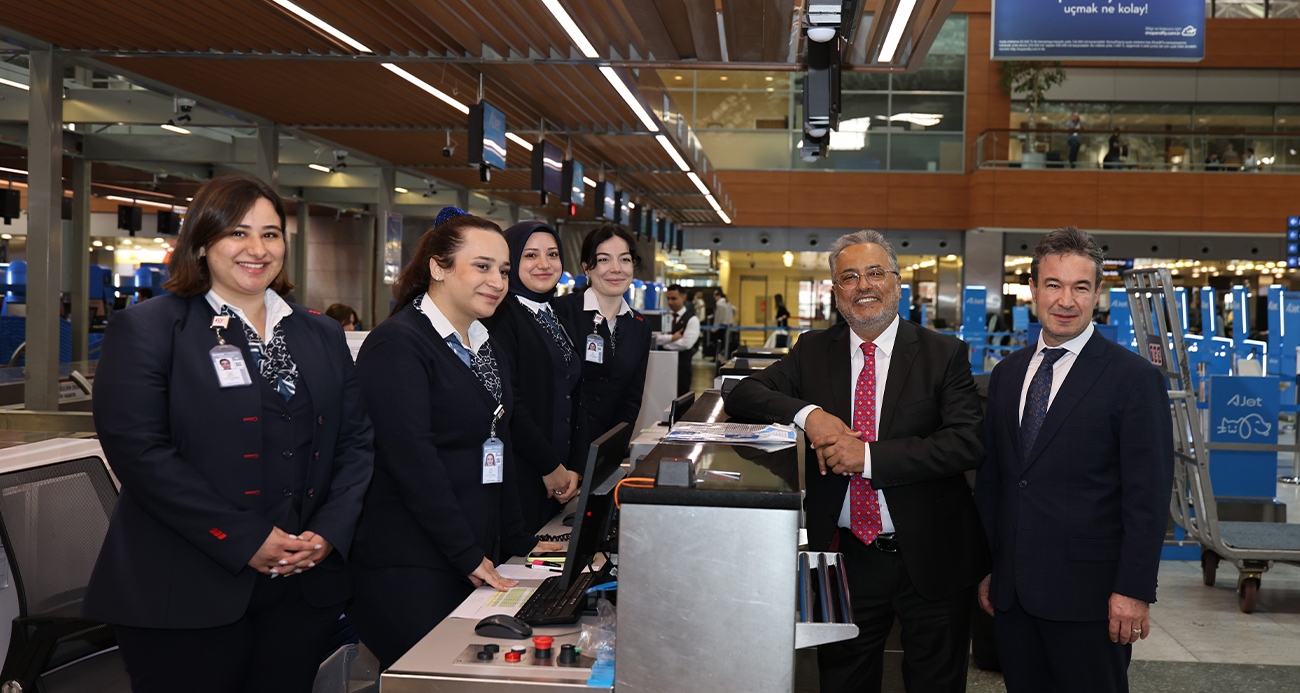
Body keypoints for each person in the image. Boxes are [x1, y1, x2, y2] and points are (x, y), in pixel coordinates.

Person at [84, 172, 374, 693]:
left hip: (302, 588)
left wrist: (329, 533)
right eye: (237, 233)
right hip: (183, 589)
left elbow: (355, 442)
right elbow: (140, 453)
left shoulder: (320, 333)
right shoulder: (151, 329)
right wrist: (244, 539)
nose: (256, 249)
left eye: (270, 233)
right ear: (202, 241)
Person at [726, 230, 987, 693]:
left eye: (874, 273)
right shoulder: (812, 350)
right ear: (834, 291)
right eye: (849, 276)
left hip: (933, 556)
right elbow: (744, 393)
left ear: (896, 282)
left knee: (936, 683)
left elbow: (966, 442)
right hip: (845, 557)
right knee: (843, 682)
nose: (863, 285)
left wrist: (866, 456)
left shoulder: (942, 353)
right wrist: (811, 416)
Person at [347, 209, 559, 669]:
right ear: (438, 267)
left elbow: (495, 447)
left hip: (467, 553)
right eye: (481, 267)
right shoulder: (398, 345)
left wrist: (521, 545)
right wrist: (466, 552)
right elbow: (412, 460)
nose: (498, 281)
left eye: (503, 270)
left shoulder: (485, 344)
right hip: (408, 562)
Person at [974, 227, 1174, 693]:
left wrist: (1134, 590)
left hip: (1094, 603)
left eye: (1080, 287)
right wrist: (989, 569)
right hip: (1014, 599)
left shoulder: (1134, 379)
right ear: (1033, 290)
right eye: (1054, 285)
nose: (1066, 300)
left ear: (1098, 293)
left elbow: (1148, 497)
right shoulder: (1006, 375)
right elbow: (995, 482)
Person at [485, 220, 583, 534]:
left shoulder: (554, 312)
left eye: (553, 254)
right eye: (530, 256)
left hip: (557, 475)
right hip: (523, 471)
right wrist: (550, 467)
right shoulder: (500, 316)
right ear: (510, 262)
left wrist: (572, 468)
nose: (544, 264)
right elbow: (510, 402)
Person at [554, 224, 652, 447]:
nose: (616, 269)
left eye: (625, 259)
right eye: (604, 260)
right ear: (587, 267)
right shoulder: (560, 312)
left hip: (603, 451)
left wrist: (609, 454)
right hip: (559, 450)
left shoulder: (640, 326)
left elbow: (631, 399)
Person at [656, 284, 701, 396]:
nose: (670, 302)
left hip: (681, 368)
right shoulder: (664, 317)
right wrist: (672, 338)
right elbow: (655, 338)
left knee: (680, 400)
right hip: (662, 367)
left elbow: (686, 344)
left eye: (674, 298)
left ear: (683, 298)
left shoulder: (692, 320)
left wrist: (664, 344)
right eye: (668, 298)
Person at [713, 288, 736, 358]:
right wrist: (731, 317)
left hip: (722, 325)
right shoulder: (727, 302)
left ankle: (718, 357)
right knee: (727, 342)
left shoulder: (719, 304)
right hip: (729, 324)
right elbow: (735, 309)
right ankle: (725, 356)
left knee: (720, 342)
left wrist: (715, 327)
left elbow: (718, 316)